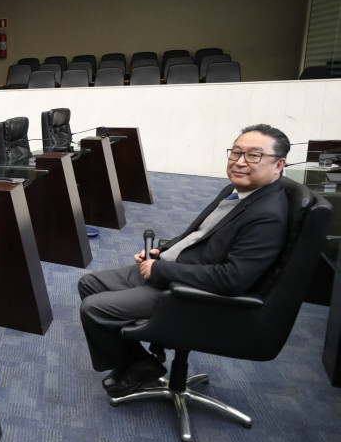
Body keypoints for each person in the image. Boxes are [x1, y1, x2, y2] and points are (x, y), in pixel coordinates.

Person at [78, 124, 290, 398]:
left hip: (190, 293)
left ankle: (137, 365)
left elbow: (231, 280)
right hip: (176, 268)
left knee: (94, 309)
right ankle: (139, 363)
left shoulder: (267, 215)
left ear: (278, 164)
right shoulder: (236, 191)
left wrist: (162, 269)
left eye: (253, 156)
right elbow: (199, 234)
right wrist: (162, 252)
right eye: (236, 153)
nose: (239, 162)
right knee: (90, 283)